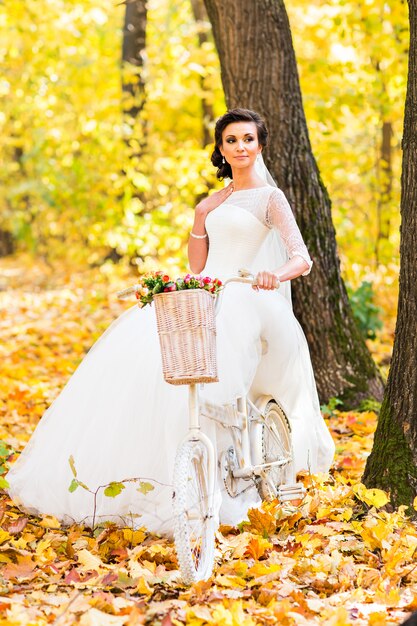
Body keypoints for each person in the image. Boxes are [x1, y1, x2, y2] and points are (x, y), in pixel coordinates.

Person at [7, 108, 335, 533]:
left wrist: (275, 274)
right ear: (221, 149)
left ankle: (220, 478)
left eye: (248, 139)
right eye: (231, 140)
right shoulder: (216, 200)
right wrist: (200, 218)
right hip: (209, 287)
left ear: (260, 145)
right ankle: (167, 474)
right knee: (146, 353)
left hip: (248, 292)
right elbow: (198, 265)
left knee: (218, 365)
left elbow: (301, 257)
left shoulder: (271, 199)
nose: (240, 147)